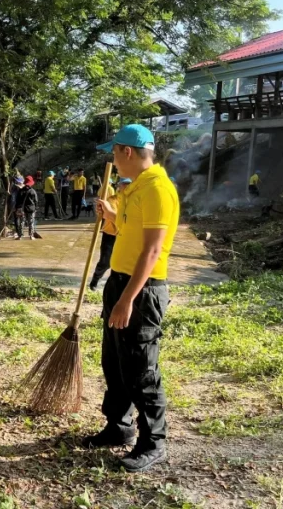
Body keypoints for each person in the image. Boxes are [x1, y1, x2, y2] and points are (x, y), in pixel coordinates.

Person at [88, 124, 179, 473]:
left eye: (114, 153)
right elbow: (129, 233)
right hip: (120, 282)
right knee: (115, 362)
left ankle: (153, 442)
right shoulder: (135, 187)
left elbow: (152, 250)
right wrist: (111, 216)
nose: (113, 160)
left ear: (127, 152)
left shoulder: (157, 189)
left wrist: (128, 299)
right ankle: (119, 426)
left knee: (141, 368)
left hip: (142, 290)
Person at [89, 178, 132, 291]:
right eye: (125, 184)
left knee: (123, 262)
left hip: (126, 236)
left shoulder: (133, 200)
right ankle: (95, 280)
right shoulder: (112, 200)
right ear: (119, 185)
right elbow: (111, 215)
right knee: (105, 262)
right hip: (111, 235)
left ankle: (119, 285)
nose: (127, 187)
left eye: (129, 184)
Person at [15, 176, 38, 240]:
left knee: (21, 222)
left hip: (22, 209)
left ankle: (20, 236)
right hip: (31, 208)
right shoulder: (33, 191)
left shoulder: (21, 191)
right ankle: (31, 236)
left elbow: (17, 200)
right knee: (31, 222)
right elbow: (36, 201)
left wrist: (17, 208)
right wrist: (36, 208)